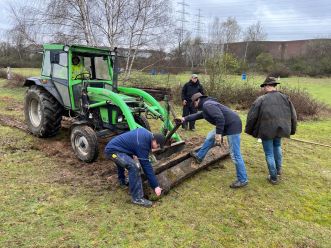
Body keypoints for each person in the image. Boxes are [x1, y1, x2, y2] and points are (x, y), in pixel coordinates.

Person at [178, 92, 248, 188]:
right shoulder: (207, 106)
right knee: (210, 136)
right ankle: (199, 156)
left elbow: (220, 118)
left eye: (194, 103)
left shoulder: (208, 105)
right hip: (226, 125)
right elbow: (198, 115)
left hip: (233, 126)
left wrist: (219, 134)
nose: (194, 106)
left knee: (235, 154)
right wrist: (184, 119)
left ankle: (243, 179)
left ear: (198, 100)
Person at [245, 77, 297, 185]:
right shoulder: (285, 97)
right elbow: (294, 115)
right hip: (281, 129)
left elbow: (251, 117)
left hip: (266, 130)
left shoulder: (261, 99)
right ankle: (277, 172)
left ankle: (273, 177)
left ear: (268, 86)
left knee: (269, 153)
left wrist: (249, 130)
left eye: (264, 86)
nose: (263, 88)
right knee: (277, 147)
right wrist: (292, 129)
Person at [104, 128, 165, 207]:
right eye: (158, 145)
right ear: (154, 140)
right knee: (134, 167)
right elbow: (146, 166)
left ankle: (122, 182)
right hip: (112, 152)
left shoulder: (147, 135)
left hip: (120, 149)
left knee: (125, 162)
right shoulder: (143, 144)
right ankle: (137, 198)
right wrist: (155, 186)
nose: (156, 148)